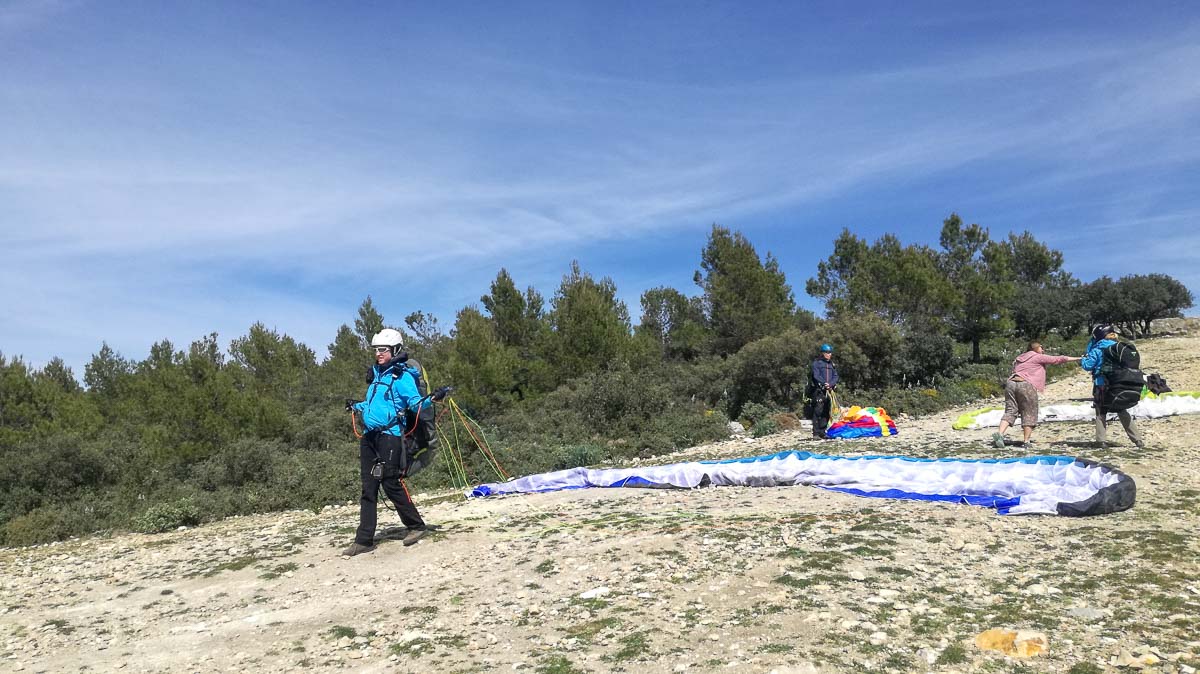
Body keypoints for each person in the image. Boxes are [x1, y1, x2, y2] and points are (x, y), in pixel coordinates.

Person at [342, 328, 430, 556]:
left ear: (395, 350)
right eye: (376, 350)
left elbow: (415, 403)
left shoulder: (402, 377)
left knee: (391, 482)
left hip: (390, 436)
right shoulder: (377, 375)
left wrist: (432, 399)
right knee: (368, 487)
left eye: (383, 349)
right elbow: (374, 404)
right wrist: (357, 406)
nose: (378, 353)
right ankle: (364, 540)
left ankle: (416, 526)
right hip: (370, 437)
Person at [991, 341, 1080, 449]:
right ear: (1036, 348)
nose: (1043, 349)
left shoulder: (1019, 358)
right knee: (1029, 412)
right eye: (1041, 347)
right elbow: (1058, 359)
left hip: (1011, 383)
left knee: (1010, 410)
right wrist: (1078, 358)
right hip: (1026, 384)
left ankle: (1000, 434)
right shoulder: (1037, 356)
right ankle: (1026, 441)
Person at [1081, 325, 1145, 449]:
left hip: (1101, 384)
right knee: (1121, 409)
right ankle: (1137, 440)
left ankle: (1101, 441)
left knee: (1101, 411)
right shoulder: (1118, 347)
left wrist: (1084, 358)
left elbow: (1087, 365)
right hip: (1118, 383)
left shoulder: (1098, 349)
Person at [809, 343, 839, 439]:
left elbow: (835, 376)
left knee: (826, 411)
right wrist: (824, 383)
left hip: (829, 391)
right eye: (827, 352)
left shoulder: (832, 364)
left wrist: (830, 384)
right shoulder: (817, 363)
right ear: (822, 353)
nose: (829, 354)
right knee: (818, 411)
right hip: (819, 391)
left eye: (830, 352)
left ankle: (823, 432)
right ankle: (816, 433)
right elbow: (816, 375)